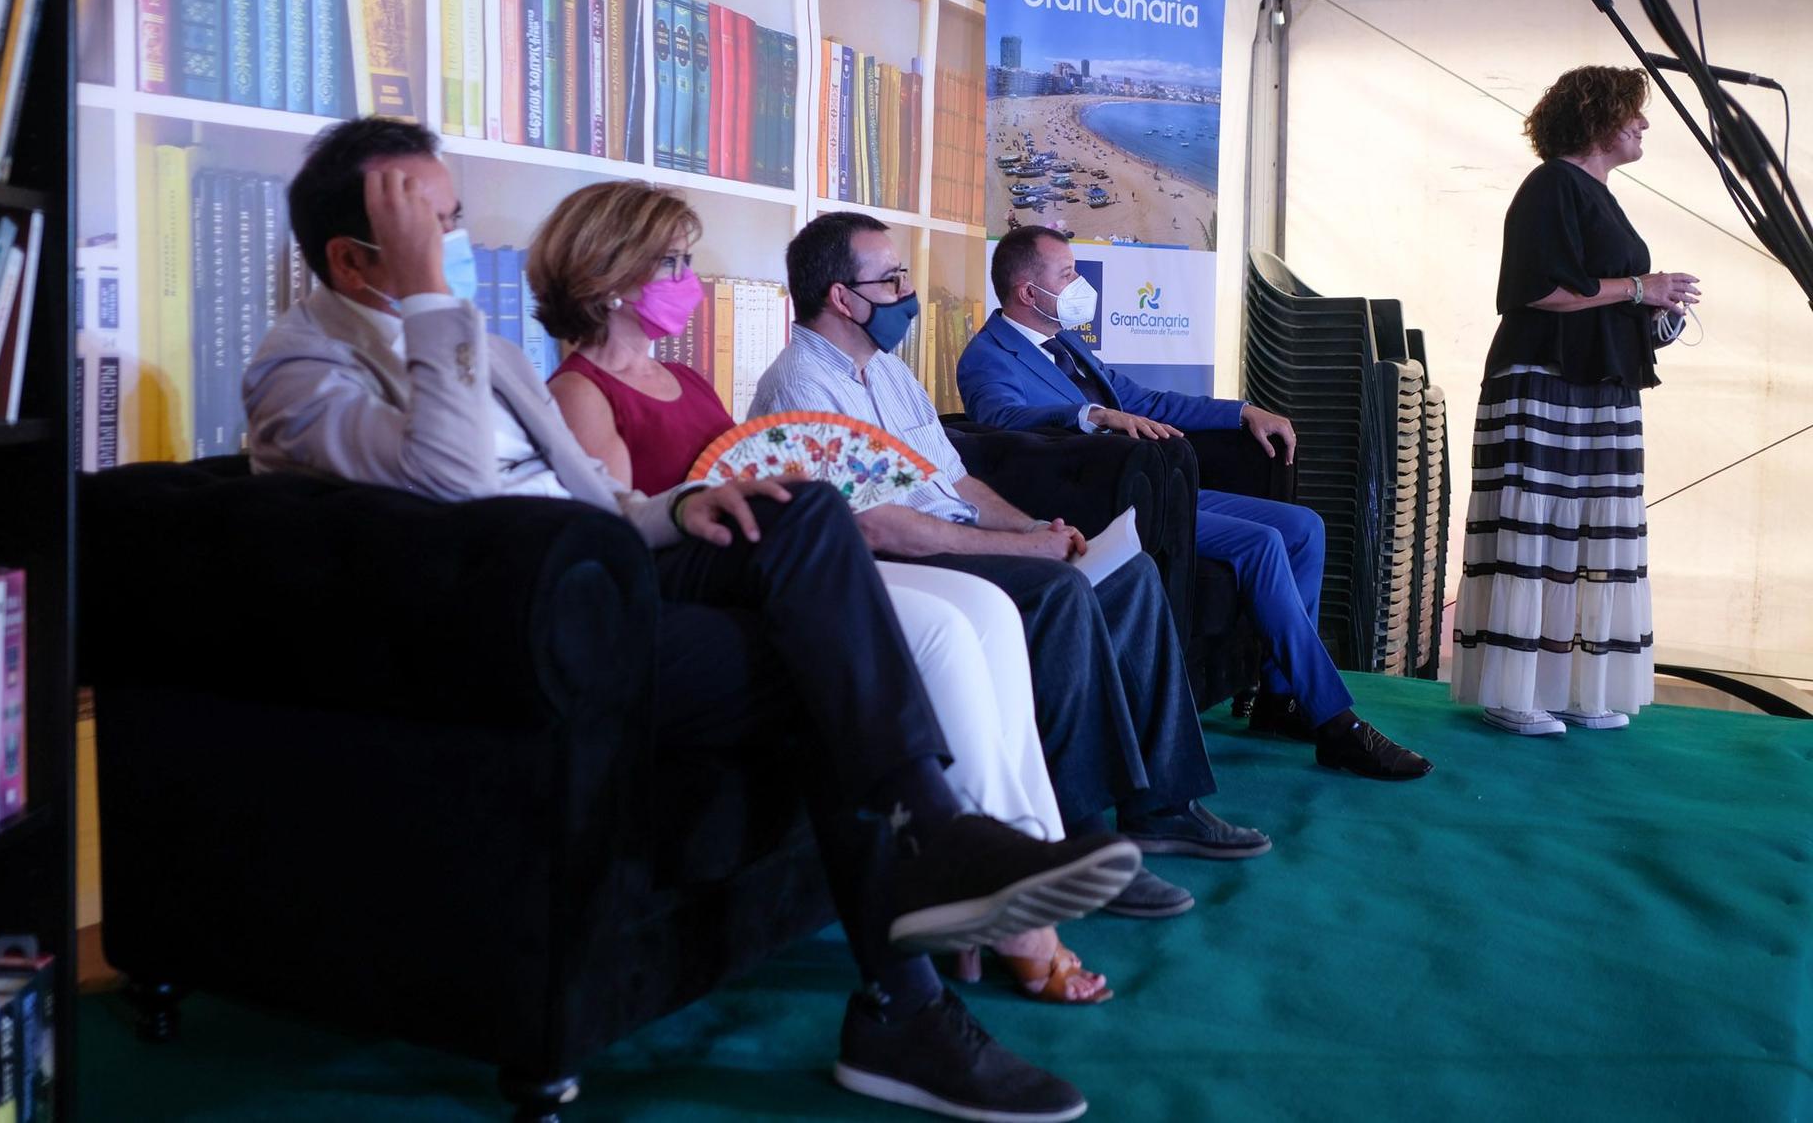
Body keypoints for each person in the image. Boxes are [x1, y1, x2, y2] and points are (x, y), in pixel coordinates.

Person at [243, 119, 1142, 1121]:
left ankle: (939, 844)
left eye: (448, 219)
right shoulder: (301, 370)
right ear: (351, 256)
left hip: (606, 572)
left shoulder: (475, 350)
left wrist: (680, 506)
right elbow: (456, 485)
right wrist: (428, 298)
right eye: (429, 222)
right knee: (828, 662)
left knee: (800, 511)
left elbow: (588, 494)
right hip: (524, 628)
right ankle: (908, 980)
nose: (450, 238)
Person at [525, 180, 1107, 1006]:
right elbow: (616, 538)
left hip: (782, 563)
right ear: (611, 274)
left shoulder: (688, 381)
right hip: (728, 588)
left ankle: (1024, 848)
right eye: (673, 262)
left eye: (689, 260)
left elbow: (741, 470)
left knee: (983, 611)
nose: (689, 280)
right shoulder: (579, 393)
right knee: (941, 632)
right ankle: (997, 897)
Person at [752, 210, 1273, 923]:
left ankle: (1163, 807)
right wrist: (1024, 550)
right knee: (1058, 591)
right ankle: (1083, 843)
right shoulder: (800, 388)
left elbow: (958, 482)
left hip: (949, 534)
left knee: (1128, 573)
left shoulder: (892, 376)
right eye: (893, 279)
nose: (907, 292)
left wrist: (1032, 525)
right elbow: (878, 525)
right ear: (843, 298)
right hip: (902, 562)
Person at [958, 226, 1431, 781]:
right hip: (1103, 504)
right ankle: (1336, 722)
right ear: (1025, 291)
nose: (1080, 284)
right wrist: (1091, 416)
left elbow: (1142, 399)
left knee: (1303, 526)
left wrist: (1241, 412)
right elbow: (1000, 425)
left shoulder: (1067, 343)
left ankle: (1281, 701)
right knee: (1262, 542)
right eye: (1067, 275)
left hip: (1160, 487)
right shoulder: (988, 357)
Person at [1449, 66, 1698, 735]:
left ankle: (1566, 688)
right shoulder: (1553, 185)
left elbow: (1602, 292)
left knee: (1586, 535)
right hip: (1545, 381)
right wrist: (1640, 289)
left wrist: (1653, 309)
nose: (1643, 124)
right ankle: (1513, 692)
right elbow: (1537, 290)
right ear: (1597, 119)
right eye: (1632, 113)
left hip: (1596, 386)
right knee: (1538, 535)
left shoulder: (1597, 193)